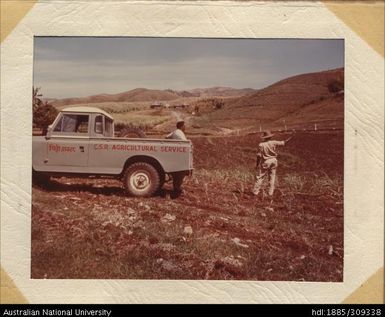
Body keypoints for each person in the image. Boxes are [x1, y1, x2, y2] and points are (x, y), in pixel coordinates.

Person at [252, 130, 292, 199]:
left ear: (264, 137)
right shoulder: (274, 142)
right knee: (272, 177)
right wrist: (290, 138)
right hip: (274, 161)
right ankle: (270, 193)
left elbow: (259, 156)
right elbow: (284, 142)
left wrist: (257, 165)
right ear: (270, 137)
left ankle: (255, 192)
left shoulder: (261, 145)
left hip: (266, 161)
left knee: (260, 177)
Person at [166, 120, 188, 198]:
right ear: (182, 127)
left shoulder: (175, 132)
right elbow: (185, 143)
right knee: (180, 173)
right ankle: (176, 190)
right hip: (179, 155)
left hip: (175, 155)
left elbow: (166, 137)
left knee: (177, 174)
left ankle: (176, 188)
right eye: (184, 126)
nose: (185, 128)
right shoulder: (180, 133)